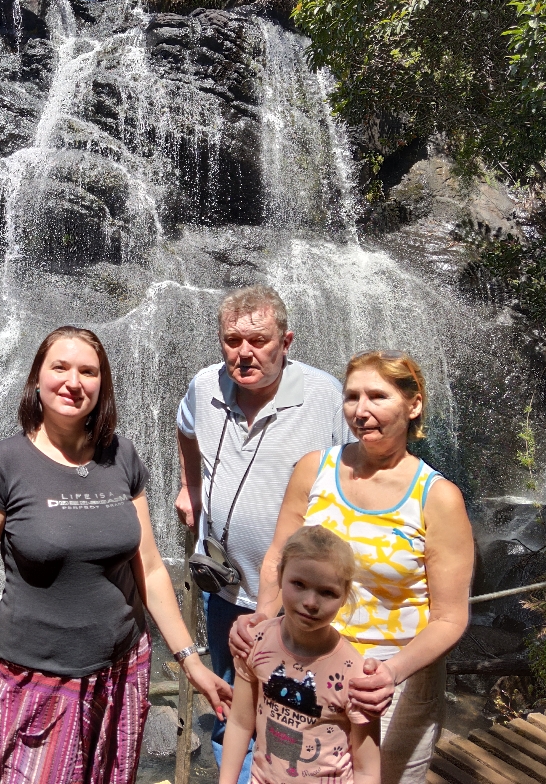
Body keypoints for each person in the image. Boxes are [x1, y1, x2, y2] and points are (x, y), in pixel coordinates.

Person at [0, 325, 231, 784]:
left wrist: (191, 661)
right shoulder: (0, 464)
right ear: (36, 379)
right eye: (60, 367)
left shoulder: (120, 455)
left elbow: (147, 565)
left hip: (125, 669)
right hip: (39, 677)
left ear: (101, 385)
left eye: (88, 371)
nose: (74, 381)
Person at [233, 350, 474, 784]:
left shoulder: (437, 497)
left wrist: (391, 672)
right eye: (351, 397)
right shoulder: (314, 469)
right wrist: (262, 618)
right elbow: (277, 557)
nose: (361, 411)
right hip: (302, 662)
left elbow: (450, 617)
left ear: (413, 404)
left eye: (377, 396)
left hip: (394, 684)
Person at [174, 285, 351, 776]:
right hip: (225, 589)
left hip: (300, 598)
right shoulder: (203, 386)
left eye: (258, 339)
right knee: (231, 704)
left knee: (295, 718)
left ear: (286, 341)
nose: (243, 352)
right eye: (232, 340)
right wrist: (191, 486)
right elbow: (186, 429)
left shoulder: (324, 396)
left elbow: (359, 466)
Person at [219, 525, 380, 784]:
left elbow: (366, 768)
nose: (311, 602)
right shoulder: (256, 641)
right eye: (299, 584)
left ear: (344, 596)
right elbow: (239, 722)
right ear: (280, 575)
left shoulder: (355, 674)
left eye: (327, 592)